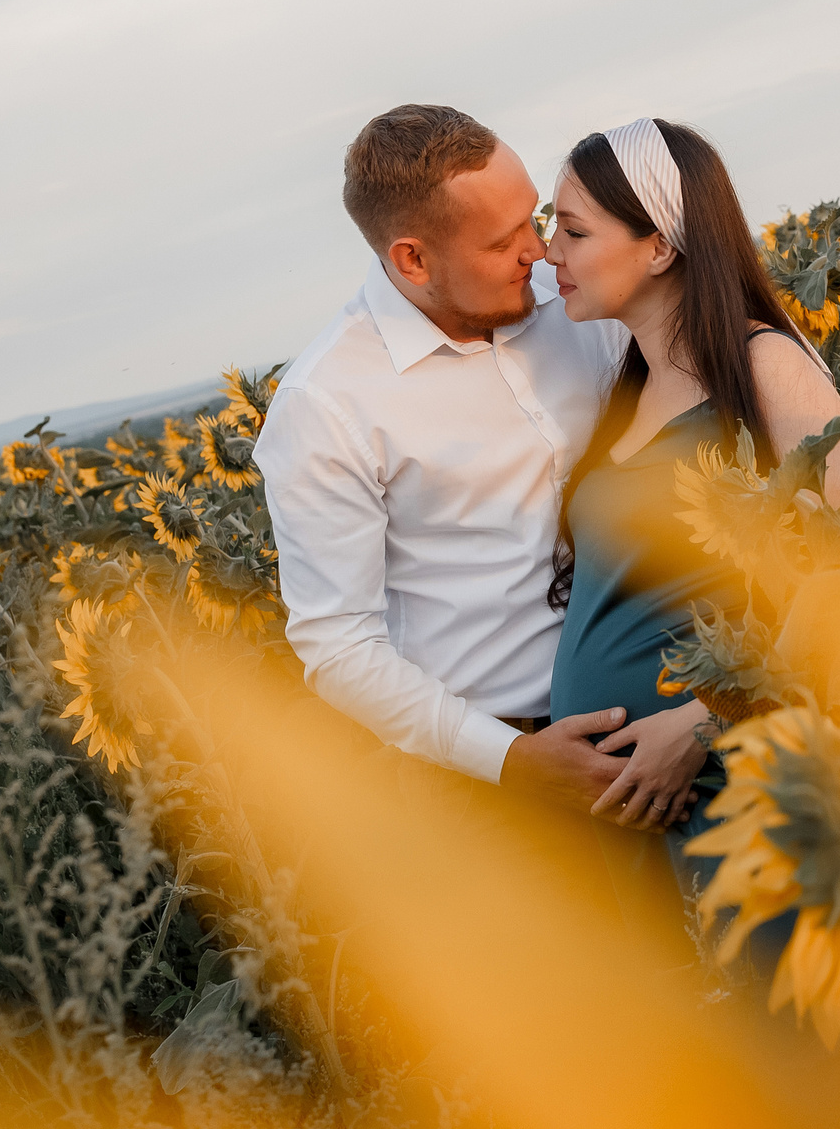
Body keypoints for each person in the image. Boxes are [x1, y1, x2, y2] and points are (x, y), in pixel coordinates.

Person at [254, 103, 710, 815]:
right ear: (412, 258)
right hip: (501, 789)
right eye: (505, 240)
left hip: (674, 729)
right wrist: (509, 760)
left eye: (536, 217)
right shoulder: (328, 404)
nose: (540, 251)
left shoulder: (576, 305)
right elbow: (337, 643)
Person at [541, 118, 840, 952]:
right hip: (636, 806)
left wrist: (702, 723)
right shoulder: (628, 389)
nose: (548, 250)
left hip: (735, 782)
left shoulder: (765, 365)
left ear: (659, 246)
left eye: (574, 229)